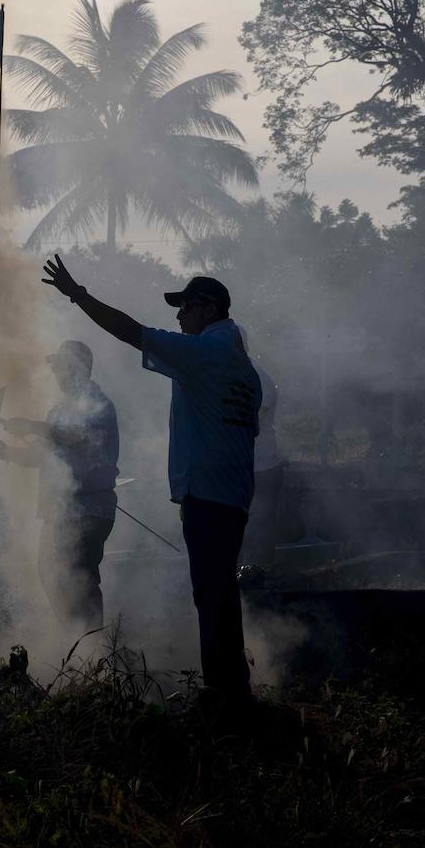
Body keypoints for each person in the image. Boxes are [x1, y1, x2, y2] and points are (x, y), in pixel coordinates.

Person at [40, 255, 262, 709]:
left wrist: (77, 295)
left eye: (185, 308)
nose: (179, 317)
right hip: (233, 493)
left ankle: (223, 694)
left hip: (207, 494)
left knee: (211, 591)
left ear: (209, 310)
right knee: (219, 589)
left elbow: (130, 331)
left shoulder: (205, 353)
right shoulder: (245, 369)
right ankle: (231, 685)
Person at [0, 340, 119, 632]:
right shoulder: (59, 410)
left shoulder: (98, 403)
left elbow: (76, 437)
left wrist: (31, 426)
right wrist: (3, 450)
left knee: (79, 577)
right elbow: (43, 454)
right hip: (63, 511)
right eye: (57, 368)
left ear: (80, 369)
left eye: (63, 367)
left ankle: (91, 647)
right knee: (52, 573)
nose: (58, 374)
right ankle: (78, 639)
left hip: (89, 508)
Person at [239, 331, 285, 569]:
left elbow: (252, 422)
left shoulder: (259, 378)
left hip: (261, 468)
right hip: (243, 468)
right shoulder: (232, 375)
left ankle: (262, 582)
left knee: (260, 530)